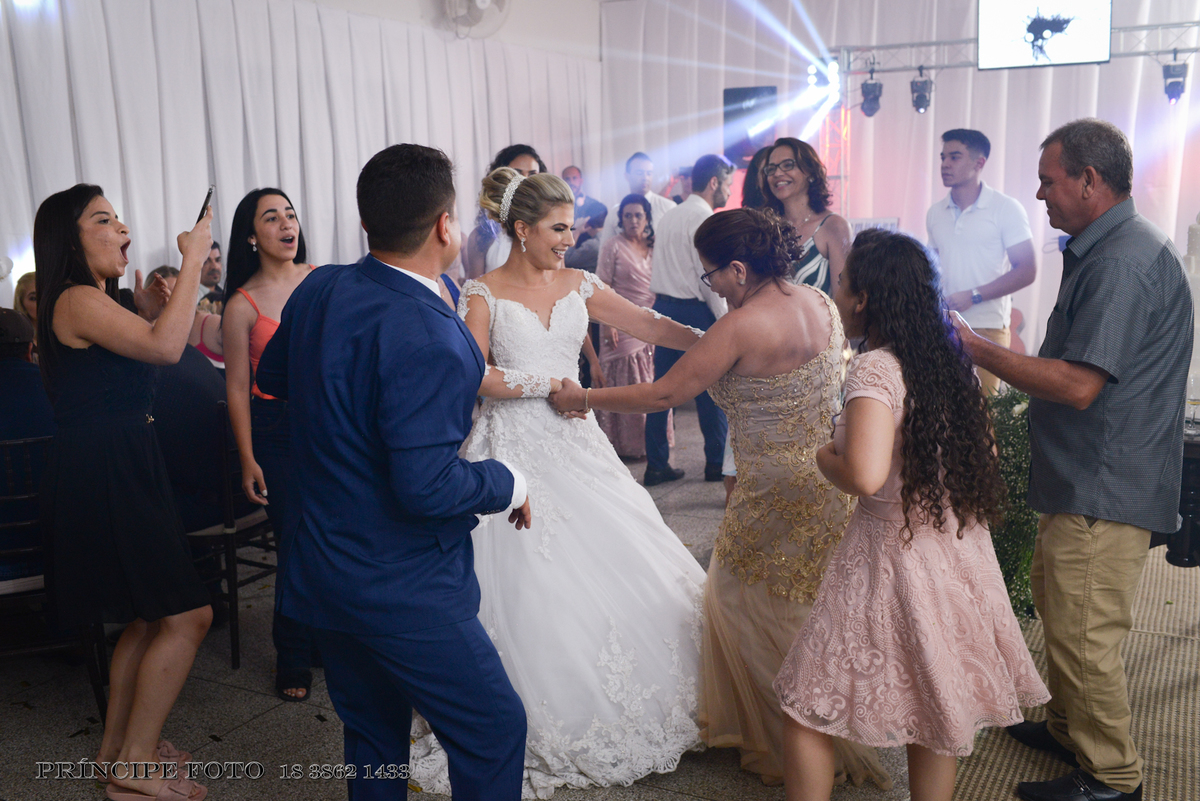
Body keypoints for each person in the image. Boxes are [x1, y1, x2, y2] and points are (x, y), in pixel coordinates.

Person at [551, 208, 890, 789]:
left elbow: (664, 394)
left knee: (738, 602)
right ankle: (823, 727)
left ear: (738, 268)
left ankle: (788, 740)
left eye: (710, 274)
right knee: (810, 605)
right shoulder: (820, 303)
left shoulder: (740, 327)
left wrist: (583, 398)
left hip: (769, 491)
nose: (710, 285)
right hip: (828, 481)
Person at [407, 166, 708, 797]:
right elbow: (477, 376)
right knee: (526, 577)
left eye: (571, 229)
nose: (571, 240)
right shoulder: (481, 292)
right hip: (513, 447)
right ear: (522, 229)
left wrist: (718, 343)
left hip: (578, 444)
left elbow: (651, 325)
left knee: (618, 551)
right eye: (559, 229)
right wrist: (549, 384)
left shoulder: (580, 283)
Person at [257, 143, 531, 801]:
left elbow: (275, 378)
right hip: (400, 581)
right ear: (444, 226)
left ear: (366, 222)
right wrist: (509, 482)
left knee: (373, 732)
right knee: (493, 728)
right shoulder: (433, 334)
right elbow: (426, 486)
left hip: (324, 564)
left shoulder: (320, 286)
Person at [951, 118, 1192, 801]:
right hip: (1085, 474)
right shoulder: (1112, 247)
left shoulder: (1121, 262)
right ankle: (1067, 728)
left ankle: (1111, 776)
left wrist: (975, 347)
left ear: (1089, 180)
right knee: (1062, 613)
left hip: (1103, 482)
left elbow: (1079, 384)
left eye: (1048, 181)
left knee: (1085, 634)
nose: (1039, 194)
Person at [774, 230, 1049, 801]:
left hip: (888, 555)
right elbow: (986, 451)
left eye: (842, 281)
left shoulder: (875, 369)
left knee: (806, 703)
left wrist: (824, 455)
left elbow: (864, 474)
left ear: (864, 299)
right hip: (953, 549)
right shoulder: (947, 360)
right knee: (935, 710)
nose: (836, 290)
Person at [35, 183, 213, 801]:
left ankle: (116, 751)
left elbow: (150, 347)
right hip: (109, 468)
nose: (123, 229)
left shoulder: (90, 301)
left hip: (117, 462)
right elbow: (167, 348)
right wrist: (194, 259)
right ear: (70, 239)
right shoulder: (75, 298)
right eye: (104, 220)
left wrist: (149, 304)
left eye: (119, 219)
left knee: (147, 616)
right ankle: (135, 764)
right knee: (189, 616)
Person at [221, 187, 316, 702]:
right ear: (252, 236)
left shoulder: (321, 279)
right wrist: (247, 457)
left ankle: (328, 637)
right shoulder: (242, 304)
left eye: (290, 215)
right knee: (296, 540)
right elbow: (237, 387)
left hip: (329, 423)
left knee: (336, 535)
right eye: (272, 217)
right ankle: (293, 653)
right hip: (276, 429)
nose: (286, 225)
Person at [643, 153, 735, 485]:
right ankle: (716, 463)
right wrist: (726, 320)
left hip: (663, 309)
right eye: (728, 184)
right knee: (712, 389)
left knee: (661, 390)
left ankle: (656, 464)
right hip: (695, 310)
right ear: (714, 182)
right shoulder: (704, 218)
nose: (729, 191)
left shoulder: (670, 214)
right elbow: (709, 278)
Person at [927, 128, 1037, 394]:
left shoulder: (1006, 208)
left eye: (954, 157)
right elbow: (933, 269)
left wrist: (974, 295)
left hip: (988, 328)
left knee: (984, 411)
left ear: (979, 163)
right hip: (944, 325)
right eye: (943, 157)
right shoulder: (935, 213)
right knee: (942, 409)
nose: (945, 164)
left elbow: (1027, 270)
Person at [594, 195, 664, 458]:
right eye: (628, 215)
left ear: (647, 218)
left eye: (638, 215)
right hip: (620, 322)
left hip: (654, 323)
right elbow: (602, 287)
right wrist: (608, 323)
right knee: (626, 381)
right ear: (621, 219)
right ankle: (621, 445)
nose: (633, 220)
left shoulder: (655, 245)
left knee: (652, 381)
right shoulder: (613, 245)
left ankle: (651, 446)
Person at [762, 137, 851, 296]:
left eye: (787, 165)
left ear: (810, 172)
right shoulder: (765, 228)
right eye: (771, 169)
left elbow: (843, 299)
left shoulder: (834, 226)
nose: (777, 173)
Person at [466, 144, 547, 279]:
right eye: (517, 173)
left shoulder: (550, 228)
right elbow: (474, 287)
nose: (525, 180)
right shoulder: (481, 236)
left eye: (532, 174)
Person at [598, 152, 677, 244]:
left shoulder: (668, 207)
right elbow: (604, 247)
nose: (645, 178)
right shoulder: (615, 212)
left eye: (649, 173)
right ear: (627, 176)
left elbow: (676, 244)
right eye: (639, 173)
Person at [13, 270, 37, 357]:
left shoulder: (64, 335)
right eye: (34, 298)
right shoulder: (17, 341)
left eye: (46, 296)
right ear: (21, 304)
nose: (42, 302)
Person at [741, 146, 773, 210]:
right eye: (770, 170)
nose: (778, 174)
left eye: (786, 166)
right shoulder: (749, 215)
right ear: (755, 179)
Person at [197, 241, 223, 306]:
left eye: (217, 260)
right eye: (206, 262)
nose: (215, 267)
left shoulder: (225, 294)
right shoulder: (190, 298)